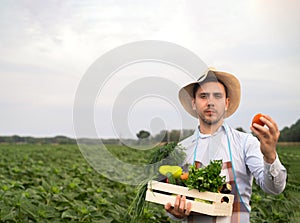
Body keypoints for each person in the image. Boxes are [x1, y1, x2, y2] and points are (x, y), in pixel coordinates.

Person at [164, 67, 287, 223]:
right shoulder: (181, 149)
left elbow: (274, 188)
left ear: (226, 103)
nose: (210, 102)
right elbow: (171, 200)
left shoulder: (245, 143)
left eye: (217, 96)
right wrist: (175, 212)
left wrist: (270, 156)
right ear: (194, 103)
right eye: (203, 96)